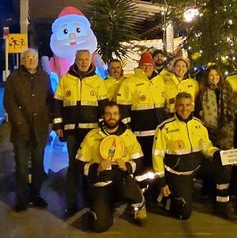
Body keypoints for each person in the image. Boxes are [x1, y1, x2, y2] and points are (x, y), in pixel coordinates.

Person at [152, 92, 237, 221]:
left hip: (197, 166)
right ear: (175, 106)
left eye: (187, 105)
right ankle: (161, 196)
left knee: (223, 164)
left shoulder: (199, 124)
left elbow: (206, 146)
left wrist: (218, 153)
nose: (184, 108)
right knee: (183, 214)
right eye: (181, 105)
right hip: (179, 173)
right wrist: (162, 183)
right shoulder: (164, 128)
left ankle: (222, 204)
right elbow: (157, 156)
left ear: (192, 106)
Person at [53, 49, 109, 216]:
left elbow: (103, 107)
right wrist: (58, 126)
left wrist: (102, 129)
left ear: (89, 61)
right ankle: (71, 203)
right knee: (73, 167)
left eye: (86, 59)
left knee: (89, 167)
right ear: (75, 60)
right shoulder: (66, 80)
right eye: (80, 59)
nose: (84, 62)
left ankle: (88, 199)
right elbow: (57, 105)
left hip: (91, 133)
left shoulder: (98, 81)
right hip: (71, 132)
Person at [76, 101, 147, 231]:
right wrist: (96, 168)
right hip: (102, 183)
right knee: (98, 226)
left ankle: (139, 203)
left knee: (129, 189)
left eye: (115, 114)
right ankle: (105, 207)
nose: (111, 117)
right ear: (103, 116)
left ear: (120, 116)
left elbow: (140, 160)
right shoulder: (92, 136)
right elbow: (79, 164)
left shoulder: (128, 135)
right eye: (108, 114)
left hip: (122, 180)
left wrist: (127, 166)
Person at [3, 48, 54, 212]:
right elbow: (9, 102)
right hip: (21, 131)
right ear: (23, 61)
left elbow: (50, 99)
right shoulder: (14, 78)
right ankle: (22, 198)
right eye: (28, 58)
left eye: (34, 57)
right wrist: (19, 122)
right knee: (22, 167)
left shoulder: (44, 77)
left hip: (40, 129)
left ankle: (36, 195)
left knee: (38, 166)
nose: (31, 60)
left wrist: (50, 118)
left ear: (38, 60)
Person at [115, 51, 166, 189]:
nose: (147, 68)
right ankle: (142, 189)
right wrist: (128, 128)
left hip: (158, 131)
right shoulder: (130, 82)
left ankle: (156, 188)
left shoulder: (159, 81)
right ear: (139, 66)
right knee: (141, 162)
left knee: (156, 160)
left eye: (150, 65)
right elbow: (123, 108)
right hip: (140, 132)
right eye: (144, 65)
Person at [194, 64, 237, 197]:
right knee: (210, 158)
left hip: (225, 130)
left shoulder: (226, 90)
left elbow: (232, 110)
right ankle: (209, 189)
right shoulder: (203, 91)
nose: (214, 78)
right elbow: (198, 109)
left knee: (224, 160)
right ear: (207, 77)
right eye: (211, 75)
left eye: (216, 75)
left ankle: (223, 191)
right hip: (208, 129)